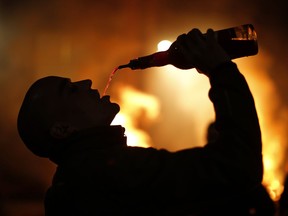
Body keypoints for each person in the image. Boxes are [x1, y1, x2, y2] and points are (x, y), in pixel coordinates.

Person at [17, 28, 263, 215]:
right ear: (62, 128)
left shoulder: (73, 182)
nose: (86, 83)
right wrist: (220, 70)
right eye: (70, 89)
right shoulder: (110, 172)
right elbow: (237, 167)